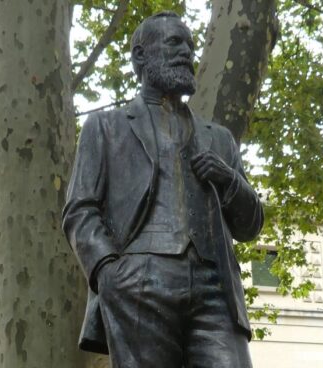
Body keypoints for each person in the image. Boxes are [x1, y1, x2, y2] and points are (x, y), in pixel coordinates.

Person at [62, 11, 264, 368]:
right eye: (175, 42)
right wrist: (108, 270)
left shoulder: (219, 138)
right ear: (141, 56)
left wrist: (229, 180)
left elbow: (250, 225)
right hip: (138, 280)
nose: (187, 51)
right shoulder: (105, 126)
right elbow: (80, 209)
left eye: (190, 44)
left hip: (214, 288)